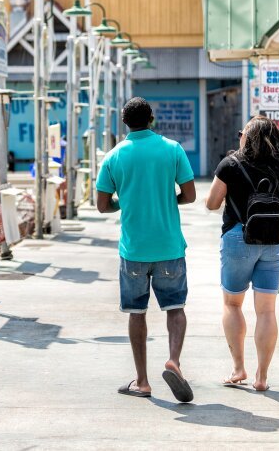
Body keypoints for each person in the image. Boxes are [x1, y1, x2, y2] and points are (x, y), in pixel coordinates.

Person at [96, 97, 196, 402]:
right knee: (175, 308)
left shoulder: (113, 157)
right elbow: (189, 195)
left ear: (124, 122)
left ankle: (142, 381)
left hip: (134, 251)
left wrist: (123, 201)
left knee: (137, 313)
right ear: (151, 118)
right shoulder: (172, 149)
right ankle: (173, 361)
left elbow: (102, 206)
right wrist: (166, 200)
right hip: (169, 246)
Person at [205, 116, 279, 392]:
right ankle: (262, 377)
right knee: (266, 310)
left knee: (233, 304)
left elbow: (212, 204)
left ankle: (238, 369)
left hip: (238, 239)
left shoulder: (230, 164)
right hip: (277, 241)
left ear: (246, 137)